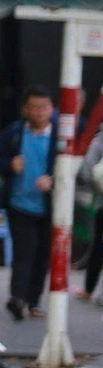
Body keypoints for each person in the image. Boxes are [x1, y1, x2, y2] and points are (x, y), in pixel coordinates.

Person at [0, 87, 57, 321]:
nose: (39, 112)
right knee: (23, 253)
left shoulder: (59, 136)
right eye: (35, 107)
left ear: (51, 109)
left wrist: (53, 180)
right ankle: (17, 299)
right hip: (20, 205)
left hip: (50, 207)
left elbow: (73, 168)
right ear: (26, 110)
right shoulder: (15, 133)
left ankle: (33, 301)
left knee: (42, 255)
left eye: (44, 107)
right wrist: (10, 165)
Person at [80, 127, 103, 307]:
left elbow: (87, 169)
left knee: (98, 246)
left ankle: (89, 290)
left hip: (102, 202)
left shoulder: (100, 140)